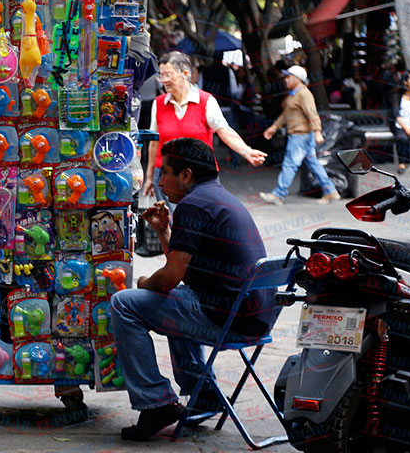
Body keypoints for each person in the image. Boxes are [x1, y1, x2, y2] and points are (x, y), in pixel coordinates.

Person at [111, 138, 275, 441]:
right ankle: (204, 394)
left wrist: (145, 283)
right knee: (176, 299)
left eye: (166, 173)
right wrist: (163, 231)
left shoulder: (193, 205)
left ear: (186, 175)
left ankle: (155, 402)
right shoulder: (217, 197)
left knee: (124, 303)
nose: (160, 182)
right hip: (252, 317)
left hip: (229, 320)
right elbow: (184, 270)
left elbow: (170, 277)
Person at [143, 51, 266, 202]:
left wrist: (247, 151)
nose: (164, 80)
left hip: (200, 175)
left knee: (202, 217)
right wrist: (149, 177)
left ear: (185, 74)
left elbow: (224, 131)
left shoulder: (205, 101)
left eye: (168, 75)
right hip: (167, 176)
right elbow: (154, 143)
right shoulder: (159, 103)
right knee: (174, 221)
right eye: (161, 76)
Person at [259, 65, 340, 205]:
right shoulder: (294, 94)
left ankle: (278, 194)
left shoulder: (304, 93)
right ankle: (330, 191)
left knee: (290, 164)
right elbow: (286, 115)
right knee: (313, 164)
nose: (285, 80)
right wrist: (274, 127)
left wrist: (317, 131)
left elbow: (312, 113)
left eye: (288, 77)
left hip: (300, 136)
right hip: (302, 136)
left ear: (297, 79)